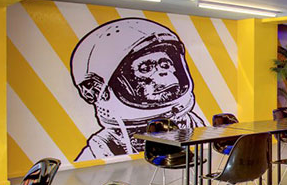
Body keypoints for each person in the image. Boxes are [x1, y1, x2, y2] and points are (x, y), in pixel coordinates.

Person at [70, 18, 203, 160]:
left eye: (165, 64)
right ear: (95, 90)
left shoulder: (194, 123)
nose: (163, 73)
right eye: (145, 68)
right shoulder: (101, 151)